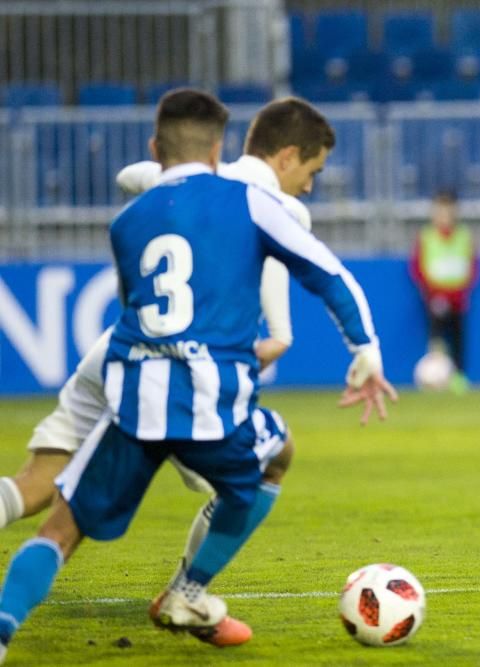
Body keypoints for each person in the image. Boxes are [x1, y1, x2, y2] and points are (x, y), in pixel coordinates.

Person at [0, 89, 396, 663]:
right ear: (218, 149)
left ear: (157, 146)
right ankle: (187, 590)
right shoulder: (253, 204)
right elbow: (328, 274)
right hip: (210, 402)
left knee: (58, 526)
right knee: (276, 453)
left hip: (132, 393)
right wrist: (366, 351)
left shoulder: (129, 219)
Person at [409, 190, 478, 393]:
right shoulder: (427, 236)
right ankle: (434, 379)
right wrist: (431, 291)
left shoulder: (464, 235)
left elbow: (473, 266)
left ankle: (458, 378)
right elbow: (417, 268)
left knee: (458, 340)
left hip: (458, 298)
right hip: (434, 298)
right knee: (436, 340)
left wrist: (461, 289)